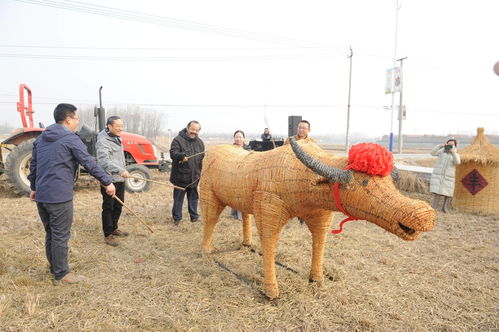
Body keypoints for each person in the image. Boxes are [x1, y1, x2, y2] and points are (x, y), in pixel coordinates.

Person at [28, 103, 115, 285]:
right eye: (76, 118)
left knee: (51, 233)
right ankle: (61, 274)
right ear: (68, 119)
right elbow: (88, 162)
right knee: (60, 235)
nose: (77, 122)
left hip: (42, 195)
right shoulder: (70, 138)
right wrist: (107, 181)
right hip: (59, 196)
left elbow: (34, 165)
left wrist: (34, 187)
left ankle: (55, 266)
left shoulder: (41, 138)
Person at [96, 116, 131, 247]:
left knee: (119, 204)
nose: (121, 128)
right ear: (109, 126)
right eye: (118, 126)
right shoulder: (103, 140)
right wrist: (119, 170)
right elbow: (104, 161)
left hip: (119, 178)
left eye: (122, 126)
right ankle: (108, 234)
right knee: (108, 206)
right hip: (109, 178)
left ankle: (114, 227)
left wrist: (122, 171)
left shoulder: (117, 137)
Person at [170, 121, 205, 225]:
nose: (194, 132)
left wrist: (200, 173)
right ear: (187, 128)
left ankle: (194, 217)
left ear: (199, 131)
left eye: (196, 130)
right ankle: (177, 219)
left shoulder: (200, 143)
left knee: (193, 198)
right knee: (178, 200)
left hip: (194, 177)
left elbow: (202, 159)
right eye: (192, 129)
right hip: (180, 177)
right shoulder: (178, 140)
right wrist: (181, 156)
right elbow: (173, 153)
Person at [429, 138, 461, 213]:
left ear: (455, 146)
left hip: (449, 176)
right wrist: (440, 146)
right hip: (438, 175)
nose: (450, 146)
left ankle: (445, 209)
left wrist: (453, 153)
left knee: (448, 193)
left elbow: (457, 162)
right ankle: (433, 208)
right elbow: (432, 153)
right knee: (437, 192)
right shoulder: (441, 152)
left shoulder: (456, 154)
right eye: (448, 144)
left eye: (452, 145)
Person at [231, 130, 250, 220]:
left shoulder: (248, 149)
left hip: (245, 174)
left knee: (242, 195)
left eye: (240, 137)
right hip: (233, 174)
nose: (238, 139)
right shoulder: (230, 149)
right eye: (236, 137)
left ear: (243, 139)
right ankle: (234, 213)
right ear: (234, 139)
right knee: (233, 194)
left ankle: (241, 215)